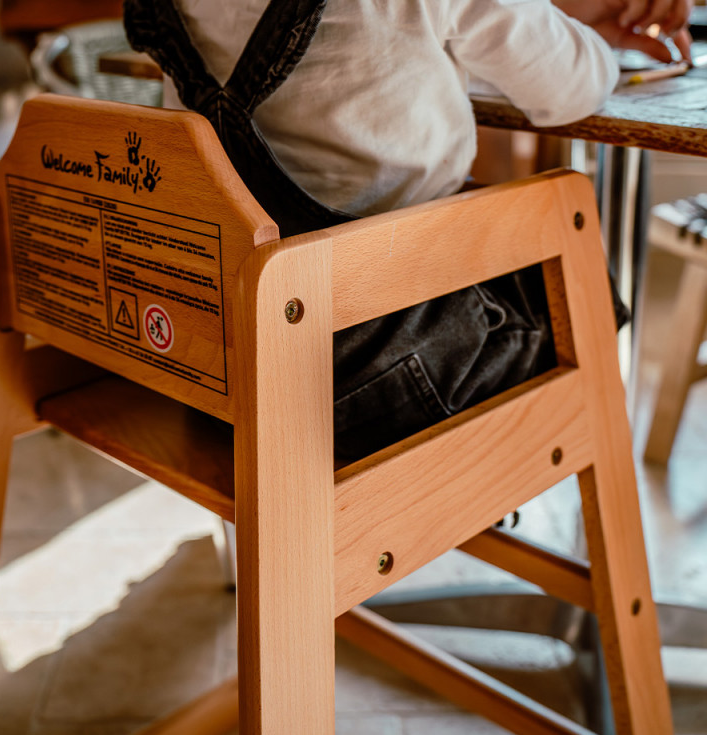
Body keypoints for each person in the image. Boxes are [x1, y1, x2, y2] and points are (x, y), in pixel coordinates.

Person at [124, 0, 691, 459]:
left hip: (206, 357)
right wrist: (594, 43)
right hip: (381, 372)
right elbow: (569, 87)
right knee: (578, 284)